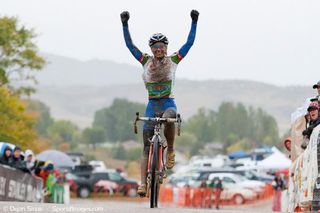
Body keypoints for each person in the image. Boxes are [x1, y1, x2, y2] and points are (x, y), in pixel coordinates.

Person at [120, 9, 199, 197]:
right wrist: (125, 24)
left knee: (170, 117)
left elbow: (189, 43)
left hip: (168, 104)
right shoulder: (145, 61)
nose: (158, 50)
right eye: (155, 47)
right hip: (151, 104)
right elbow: (130, 46)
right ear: (151, 49)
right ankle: (143, 184)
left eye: (162, 46)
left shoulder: (173, 60)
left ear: (166, 47)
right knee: (146, 146)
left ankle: (170, 150)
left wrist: (194, 22)